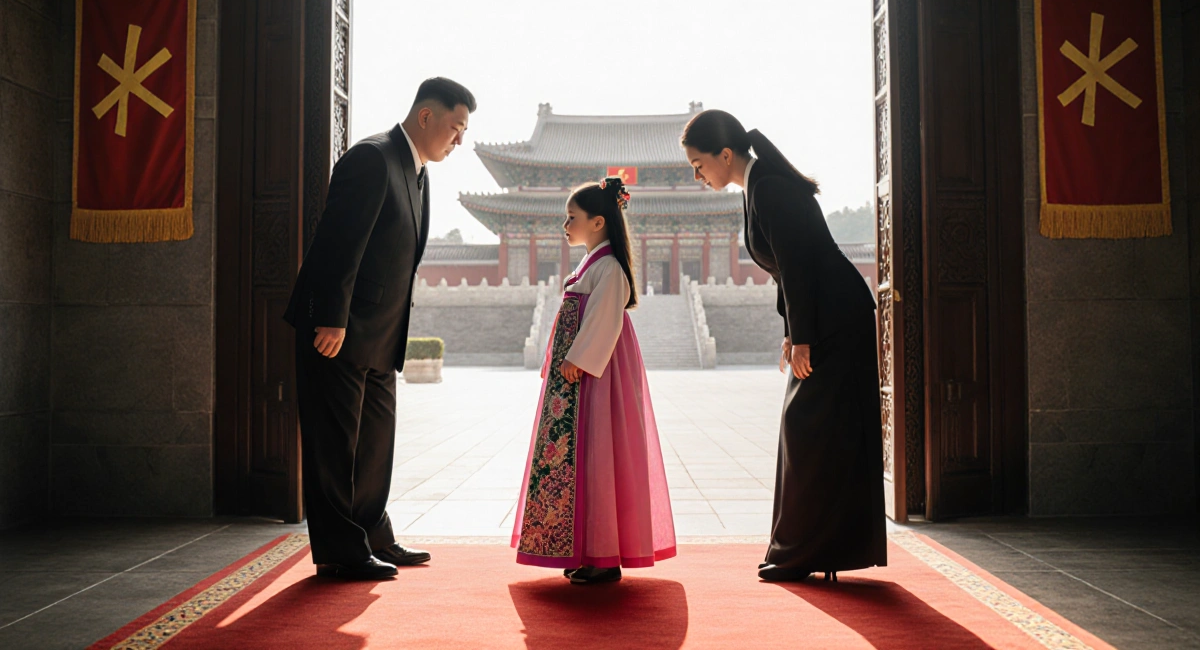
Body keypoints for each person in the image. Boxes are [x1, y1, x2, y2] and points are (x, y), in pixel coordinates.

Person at [681, 109, 886, 582]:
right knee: (816, 432)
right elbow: (785, 266)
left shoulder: (769, 185)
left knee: (809, 428)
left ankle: (803, 551)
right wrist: (793, 332)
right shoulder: (758, 186)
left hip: (837, 318)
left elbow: (797, 264)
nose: (698, 175)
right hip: (826, 315)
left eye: (698, 164)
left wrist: (805, 336)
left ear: (725, 155)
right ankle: (807, 550)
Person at [283, 78, 476, 580]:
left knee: (373, 446)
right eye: (456, 128)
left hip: (380, 336)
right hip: (338, 330)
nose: (459, 141)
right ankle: (340, 550)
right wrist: (331, 316)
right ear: (427, 116)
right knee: (334, 445)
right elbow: (338, 243)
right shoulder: (372, 158)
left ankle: (373, 535)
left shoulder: (419, 174)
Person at [512, 177, 676, 584]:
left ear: (598, 222)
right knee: (580, 459)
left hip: (596, 379)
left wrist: (579, 359)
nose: (565, 225)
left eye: (572, 218)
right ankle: (584, 549)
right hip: (578, 378)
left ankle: (604, 556)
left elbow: (605, 319)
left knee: (600, 455)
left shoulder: (609, 268)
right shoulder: (593, 264)